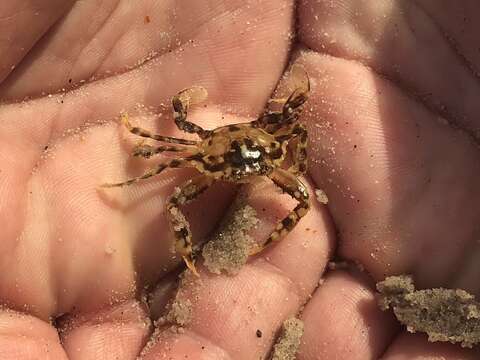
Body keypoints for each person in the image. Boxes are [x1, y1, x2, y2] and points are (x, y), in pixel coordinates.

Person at [0, 1, 478, 358]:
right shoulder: (194, 150)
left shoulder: (278, 147)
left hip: (261, 146)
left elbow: (297, 121)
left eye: (258, 170)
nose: (241, 179)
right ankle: (180, 246)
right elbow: (163, 136)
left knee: (297, 202)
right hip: (231, 145)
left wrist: (288, 169)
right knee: (170, 191)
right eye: (228, 173)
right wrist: (129, 178)